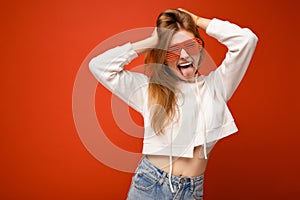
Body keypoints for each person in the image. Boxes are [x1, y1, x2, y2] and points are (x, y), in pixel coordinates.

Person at [89, 8, 258, 200]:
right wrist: (152, 42)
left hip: (192, 191)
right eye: (172, 50)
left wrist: (198, 20)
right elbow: (99, 66)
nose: (184, 55)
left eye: (191, 46)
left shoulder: (216, 87)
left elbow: (246, 40)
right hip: (150, 186)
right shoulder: (149, 90)